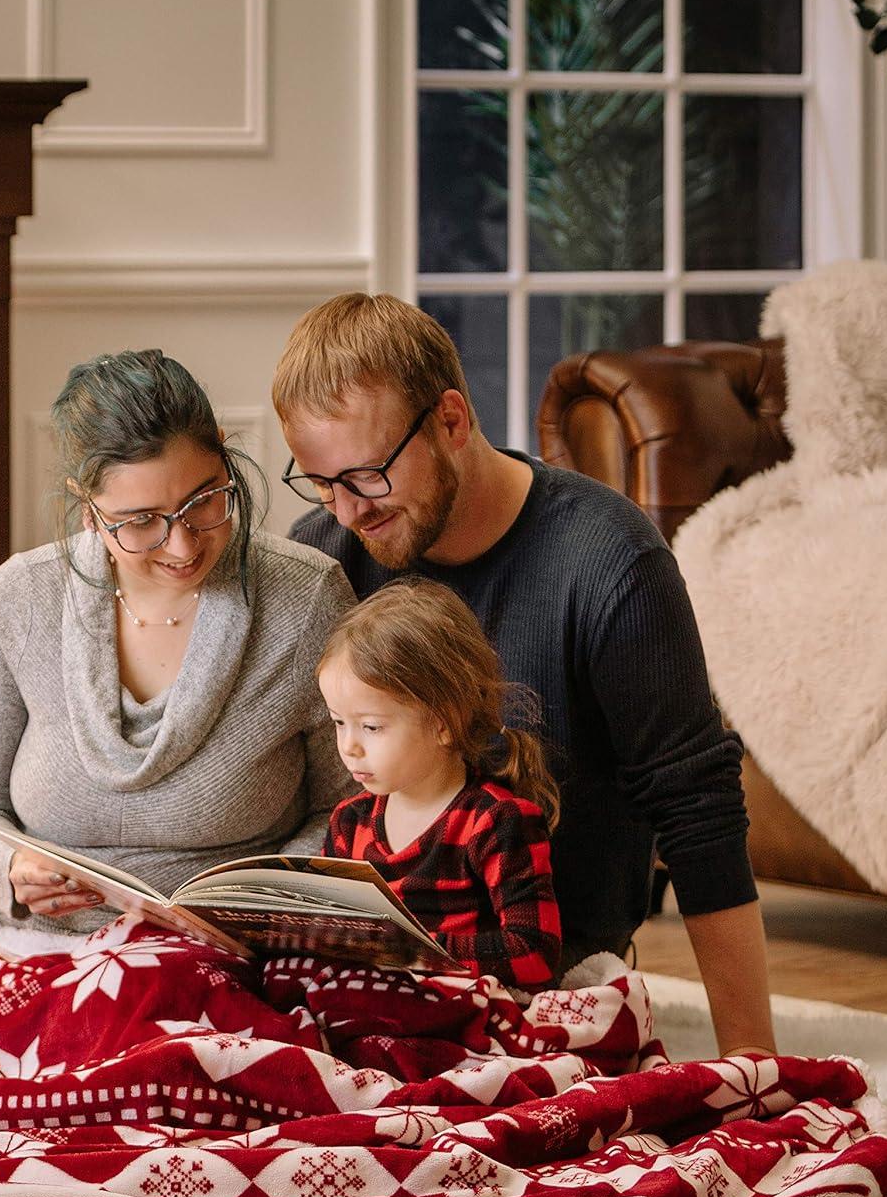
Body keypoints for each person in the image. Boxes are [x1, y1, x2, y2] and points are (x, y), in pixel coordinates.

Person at [273, 293, 775, 1057]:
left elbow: (698, 807)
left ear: (450, 419)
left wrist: (753, 1060)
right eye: (319, 483)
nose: (346, 513)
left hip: (547, 987)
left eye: (368, 475)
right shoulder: (323, 561)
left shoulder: (608, 560)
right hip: (365, 984)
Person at [0, 348, 357, 932]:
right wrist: (10, 866)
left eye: (204, 500)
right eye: (140, 521)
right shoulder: (20, 598)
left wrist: (264, 899)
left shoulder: (307, 600)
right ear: (87, 511)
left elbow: (350, 809)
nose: (182, 547)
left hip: (229, 951)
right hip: (35, 947)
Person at [318, 578, 563, 991]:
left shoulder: (497, 821)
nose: (349, 746)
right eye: (339, 722)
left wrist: (410, 952)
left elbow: (536, 954)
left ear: (443, 723)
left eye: (372, 726)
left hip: (464, 1009)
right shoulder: (349, 823)